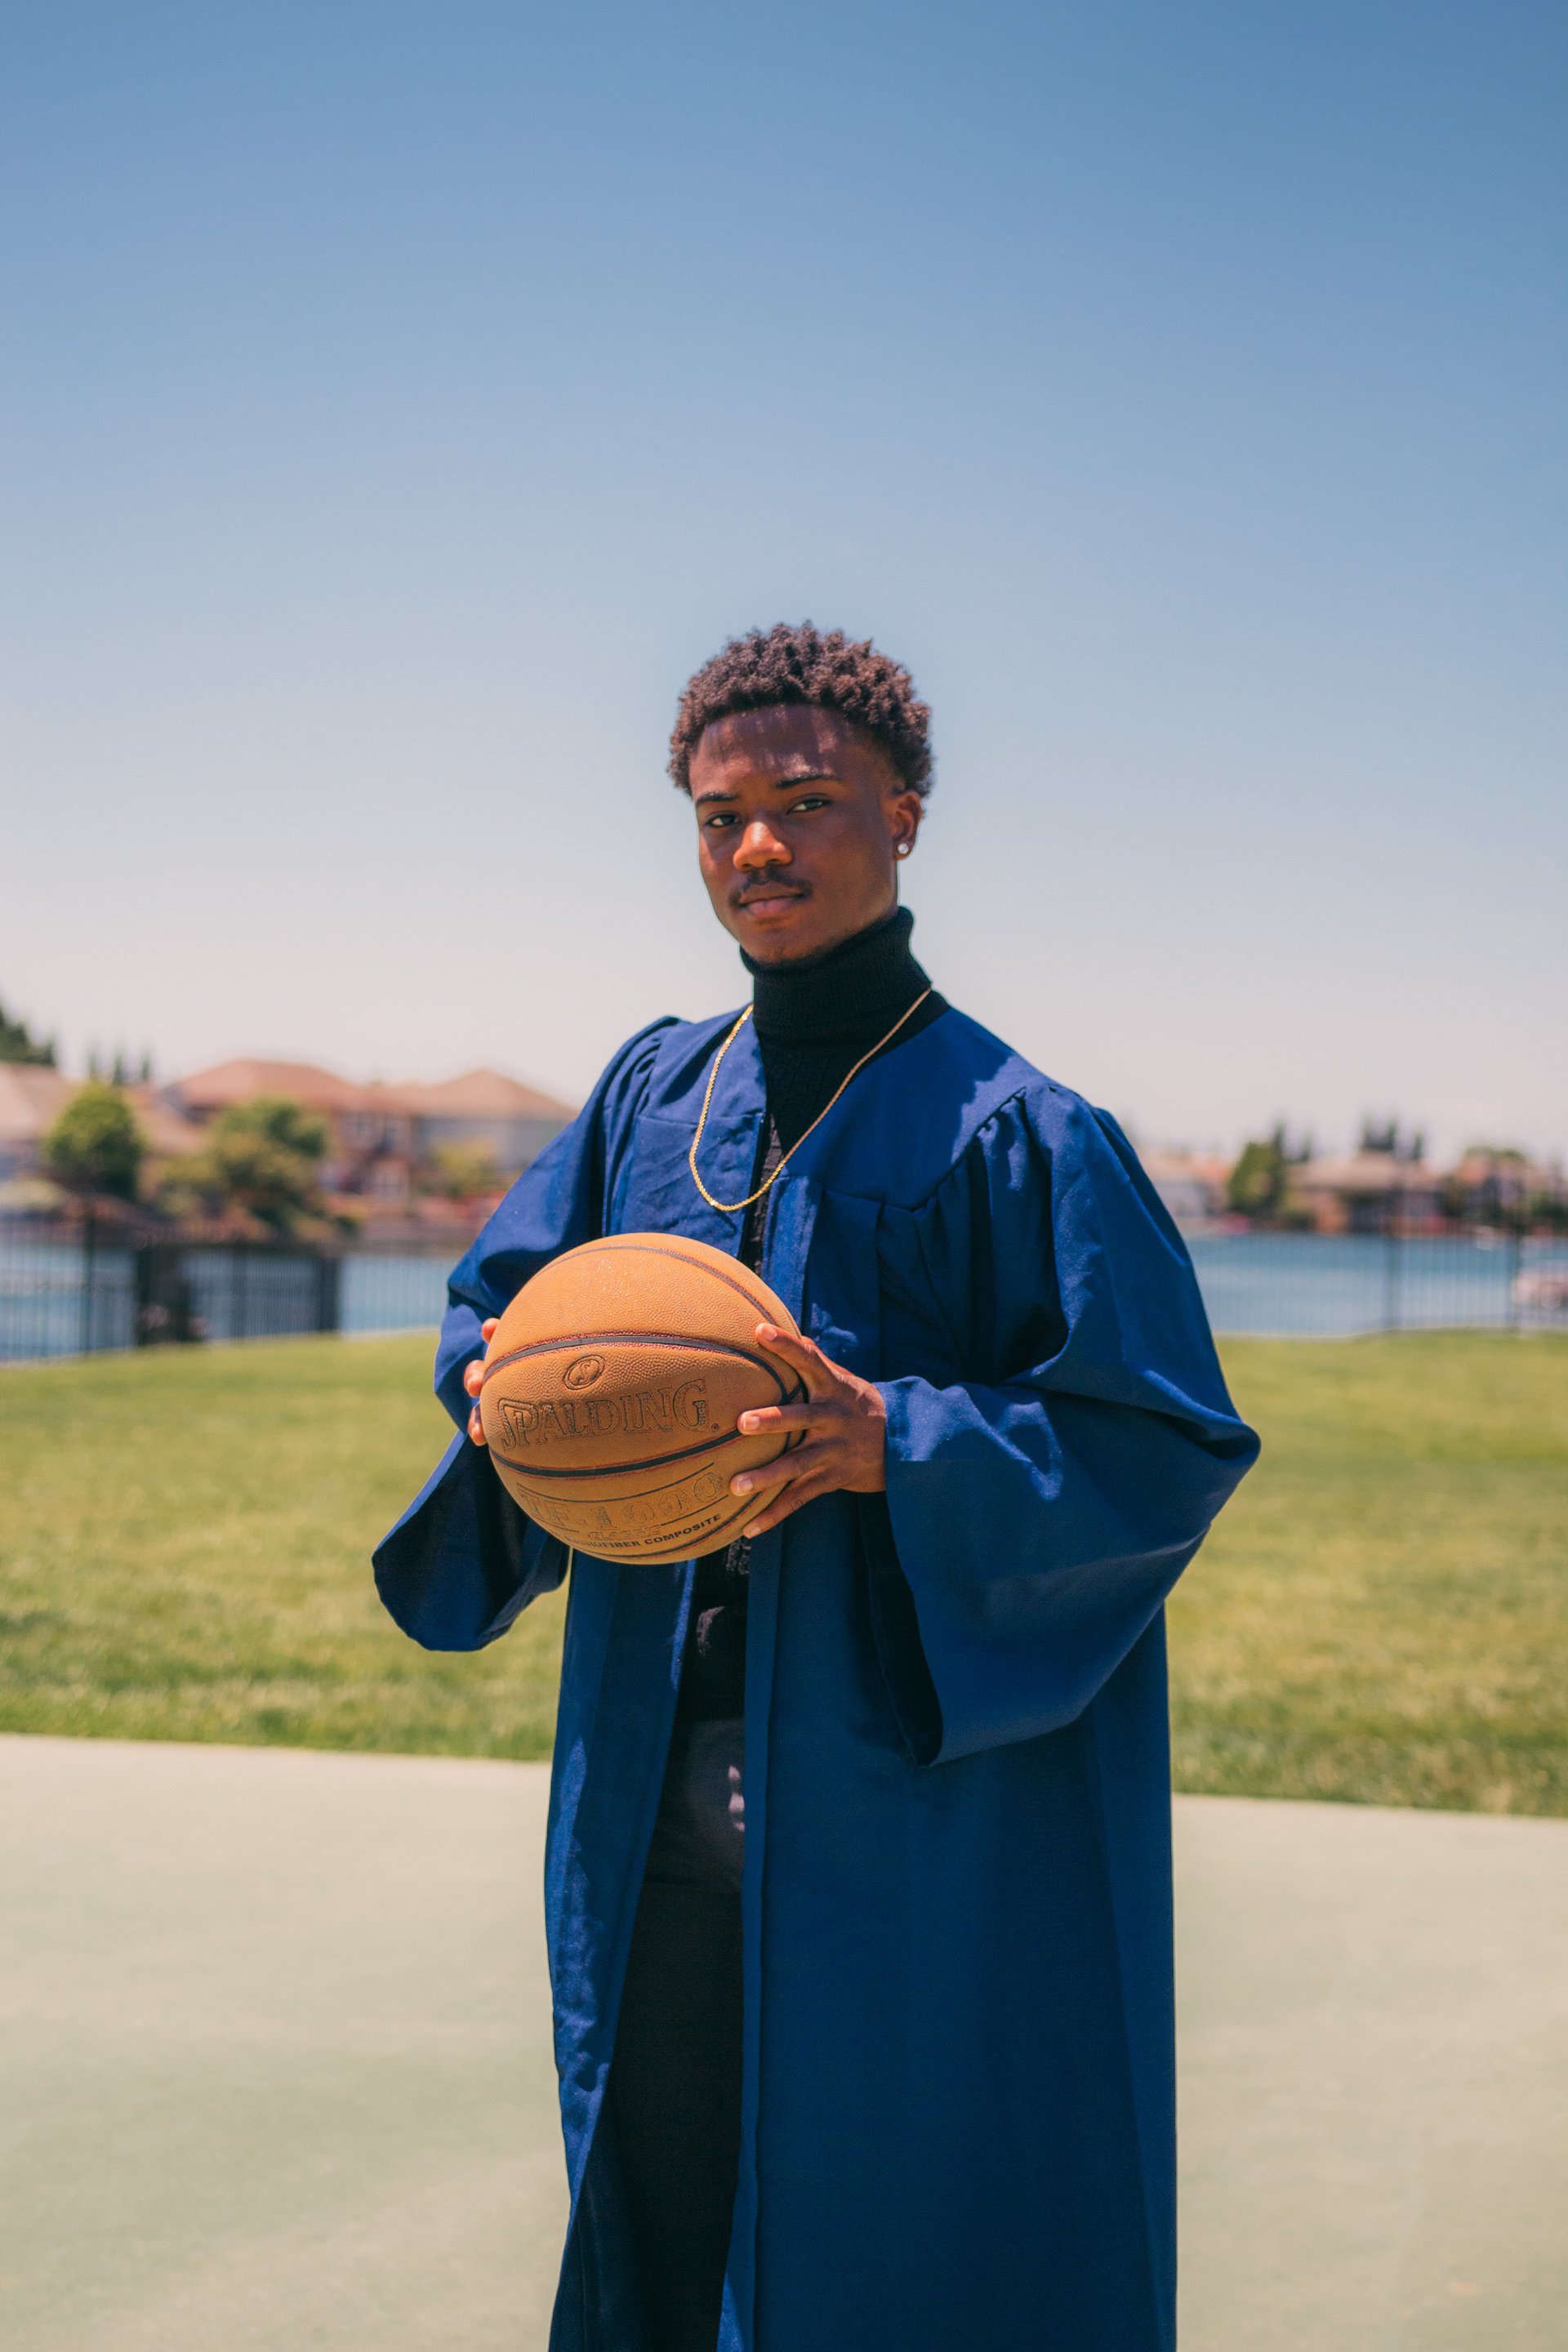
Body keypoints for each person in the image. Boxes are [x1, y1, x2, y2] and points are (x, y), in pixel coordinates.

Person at [374, 622, 1258, 2352]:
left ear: (905, 815)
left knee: (892, 2230)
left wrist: (895, 1444)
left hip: (897, 1802)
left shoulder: (1023, 1132)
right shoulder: (651, 1097)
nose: (757, 847)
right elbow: (510, 1315)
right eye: (719, 819)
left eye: (805, 802)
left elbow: (1157, 1443)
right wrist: (503, 1392)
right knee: (666, 2191)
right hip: (656, 1776)